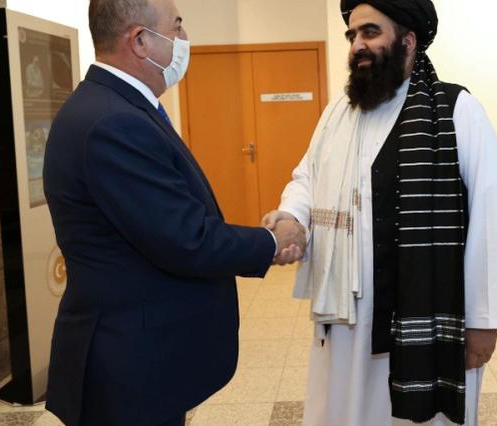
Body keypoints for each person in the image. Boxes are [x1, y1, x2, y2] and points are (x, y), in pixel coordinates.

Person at [42, 1, 305, 425]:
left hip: (136, 355)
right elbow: (185, 239)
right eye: (177, 28)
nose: (184, 40)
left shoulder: (115, 107)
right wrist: (273, 241)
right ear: (140, 41)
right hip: (128, 364)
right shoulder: (113, 122)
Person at [262, 1, 497, 425]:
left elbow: (491, 216)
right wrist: (291, 217)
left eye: (370, 32)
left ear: (408, 40)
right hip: (346, 317)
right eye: (352, 35)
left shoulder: (456, 109)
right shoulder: (338, 113)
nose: (357, 45)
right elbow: (308, 177)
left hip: (422, 309)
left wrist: (484, 321)